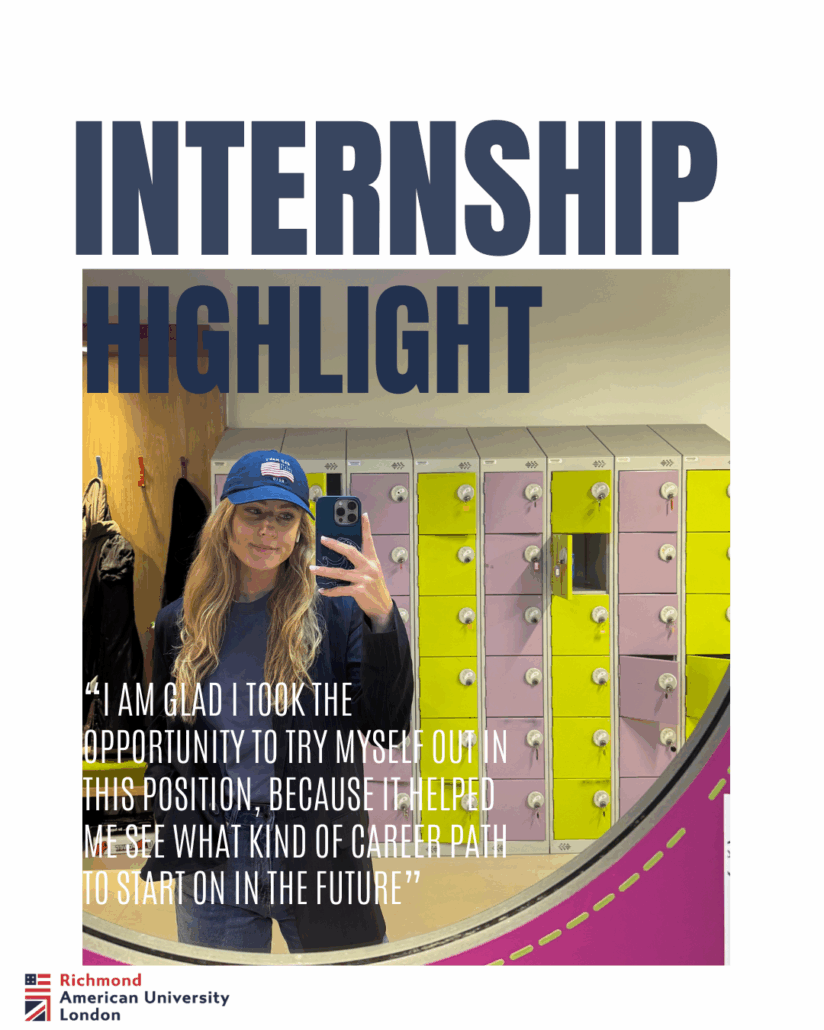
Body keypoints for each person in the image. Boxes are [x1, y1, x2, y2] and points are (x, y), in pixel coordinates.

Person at [140, 450, 414, 954]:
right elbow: (164, 740)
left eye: (284, 516)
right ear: (227, 521)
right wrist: (174, 822)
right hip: (214, 863)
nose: (268, 530)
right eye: (254, 513)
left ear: (300, 530)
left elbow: (387, 725)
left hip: (318, 852)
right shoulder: (181, 622)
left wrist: (381, 617)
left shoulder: (336, 617)